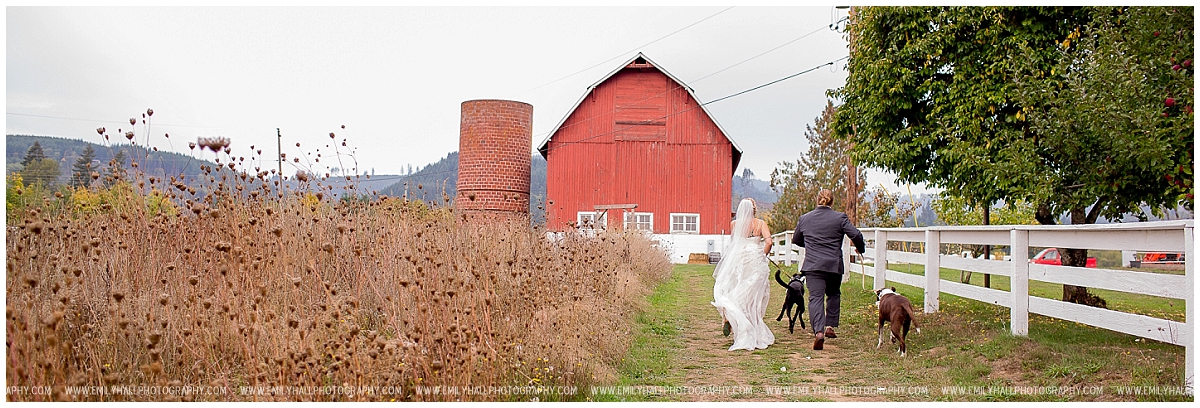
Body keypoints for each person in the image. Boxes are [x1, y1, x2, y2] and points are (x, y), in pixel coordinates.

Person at [792, 189, 865, 350]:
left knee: (815, 298)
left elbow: (796, 239)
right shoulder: (840, 218)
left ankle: (819, 332)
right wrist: (861, 249)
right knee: (833, 293)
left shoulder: (805, 218)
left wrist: (811, 244)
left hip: (813, 265)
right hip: (833, 264)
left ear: (817, 200)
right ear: (832, 202)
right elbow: (856, 235)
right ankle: (830, 326)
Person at [711, 198, 775, 351]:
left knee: (736, 289)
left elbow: (734, 245)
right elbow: (769, 242)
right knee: (754, 296)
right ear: (754, 209)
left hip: (739, 260)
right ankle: (751, 327)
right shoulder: (760, 224)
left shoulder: (735, 224)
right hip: (755, 261)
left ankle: (731, 318)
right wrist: (763, 255)